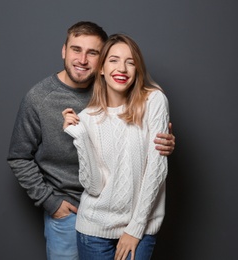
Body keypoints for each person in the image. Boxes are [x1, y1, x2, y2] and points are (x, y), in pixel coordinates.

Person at [7, 21, 175, 260]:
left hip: (128, 210)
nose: (83, 59)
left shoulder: (127, 90)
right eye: (76, 49)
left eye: (93, 53)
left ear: (101, 61)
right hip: (70, 209)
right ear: (64, 50)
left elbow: (143, 144)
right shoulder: (39, 98)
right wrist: (50, 201)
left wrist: (163, 142)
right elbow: (18, 156)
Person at [62, 33, 169, 260]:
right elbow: (93, 186)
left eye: (130, 62)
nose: (122, 68)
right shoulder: (87, 118)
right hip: (93, 229)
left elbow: (156, 170)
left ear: (137, 69)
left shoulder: (154, 101)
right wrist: (79, 136)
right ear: (101, 68)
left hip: (140, 226)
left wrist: (135, 229)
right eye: (113, 60)